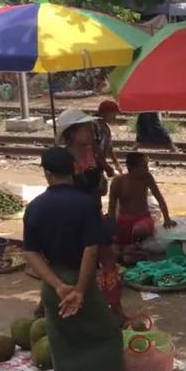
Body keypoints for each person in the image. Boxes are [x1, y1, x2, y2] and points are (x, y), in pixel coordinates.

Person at [23, 147, 153, 371]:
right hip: (80, 276)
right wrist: (80, 289)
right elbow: (91, 250)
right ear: (73, 169)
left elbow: (30, 253)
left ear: (47, 173)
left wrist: (58, 286)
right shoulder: (85, 203)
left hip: (53, 280)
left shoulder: (34, 208)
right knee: (106, 333)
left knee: (61, 341)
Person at [56, 109, 125, 322]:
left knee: (108, 259)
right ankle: (51, 305)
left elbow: (101, 186)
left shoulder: (92, 153)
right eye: (85, 129)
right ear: (71, 134)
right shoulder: (62, 160)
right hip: (73, 218)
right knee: (70, 264)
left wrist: (98, 183)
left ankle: (115, 307)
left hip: (93, 214)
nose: (90, 131)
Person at [108, 152, 175, 248]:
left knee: (139, 230)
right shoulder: (118, 182)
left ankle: (135, 246)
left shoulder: (147, 177)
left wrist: (167, 219)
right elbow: (111, 208)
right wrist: (112, 227)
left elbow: (159, 198)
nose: (147, 169)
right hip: (124, 220)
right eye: (144, 166)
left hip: (143, 218)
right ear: (133, 169)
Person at [95, 100, 124, 178]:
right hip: (91, 163)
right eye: (113, 114)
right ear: (104, 113)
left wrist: (117, 164)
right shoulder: (94, 125)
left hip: (100, 163)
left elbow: (109, 148)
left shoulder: (106, 128)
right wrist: (107, 167)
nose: (114, 117)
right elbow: (96, 149)